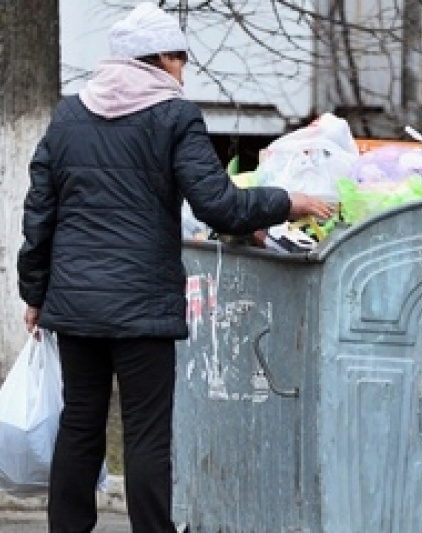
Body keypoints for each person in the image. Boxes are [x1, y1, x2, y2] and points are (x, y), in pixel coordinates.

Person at [16, 3, 333, 532]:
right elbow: (218, 204)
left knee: (80, 425)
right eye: (181, 58)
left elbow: (39, 211)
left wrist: (35, 292)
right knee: (144, 435)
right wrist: (286, 201)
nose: (184, 70)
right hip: (142, 307)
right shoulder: (173, 114)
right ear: (159, 58)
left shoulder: (69, 114)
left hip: (75, 306)